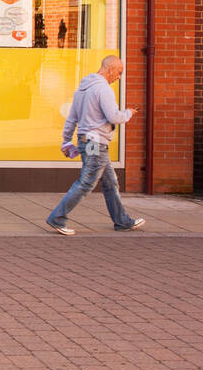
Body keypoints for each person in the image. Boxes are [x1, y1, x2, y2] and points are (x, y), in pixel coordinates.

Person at [46, 55, 145, 235]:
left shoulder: (81, 89)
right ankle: (57, 218)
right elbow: (114, 117)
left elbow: (72, 119)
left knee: (110, 182)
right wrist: (129, 113)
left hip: (87, 142)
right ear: (110, 70)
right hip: (96, 144)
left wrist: (66, 140)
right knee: (86, 183)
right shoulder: (103, 89)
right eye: (119, 72)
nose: (119, 77)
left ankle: (122, 221)